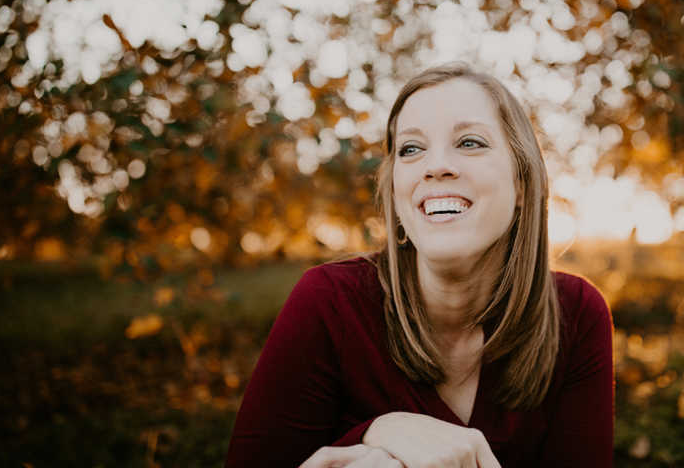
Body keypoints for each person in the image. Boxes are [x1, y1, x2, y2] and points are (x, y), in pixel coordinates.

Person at [226, 62, 613, 467]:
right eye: (411, 149)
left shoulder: (576, 313)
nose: (435, 166)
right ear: (396, 194)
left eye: (469, 142)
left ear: (521, 183)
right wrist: (376, 435)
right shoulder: (327, 302)